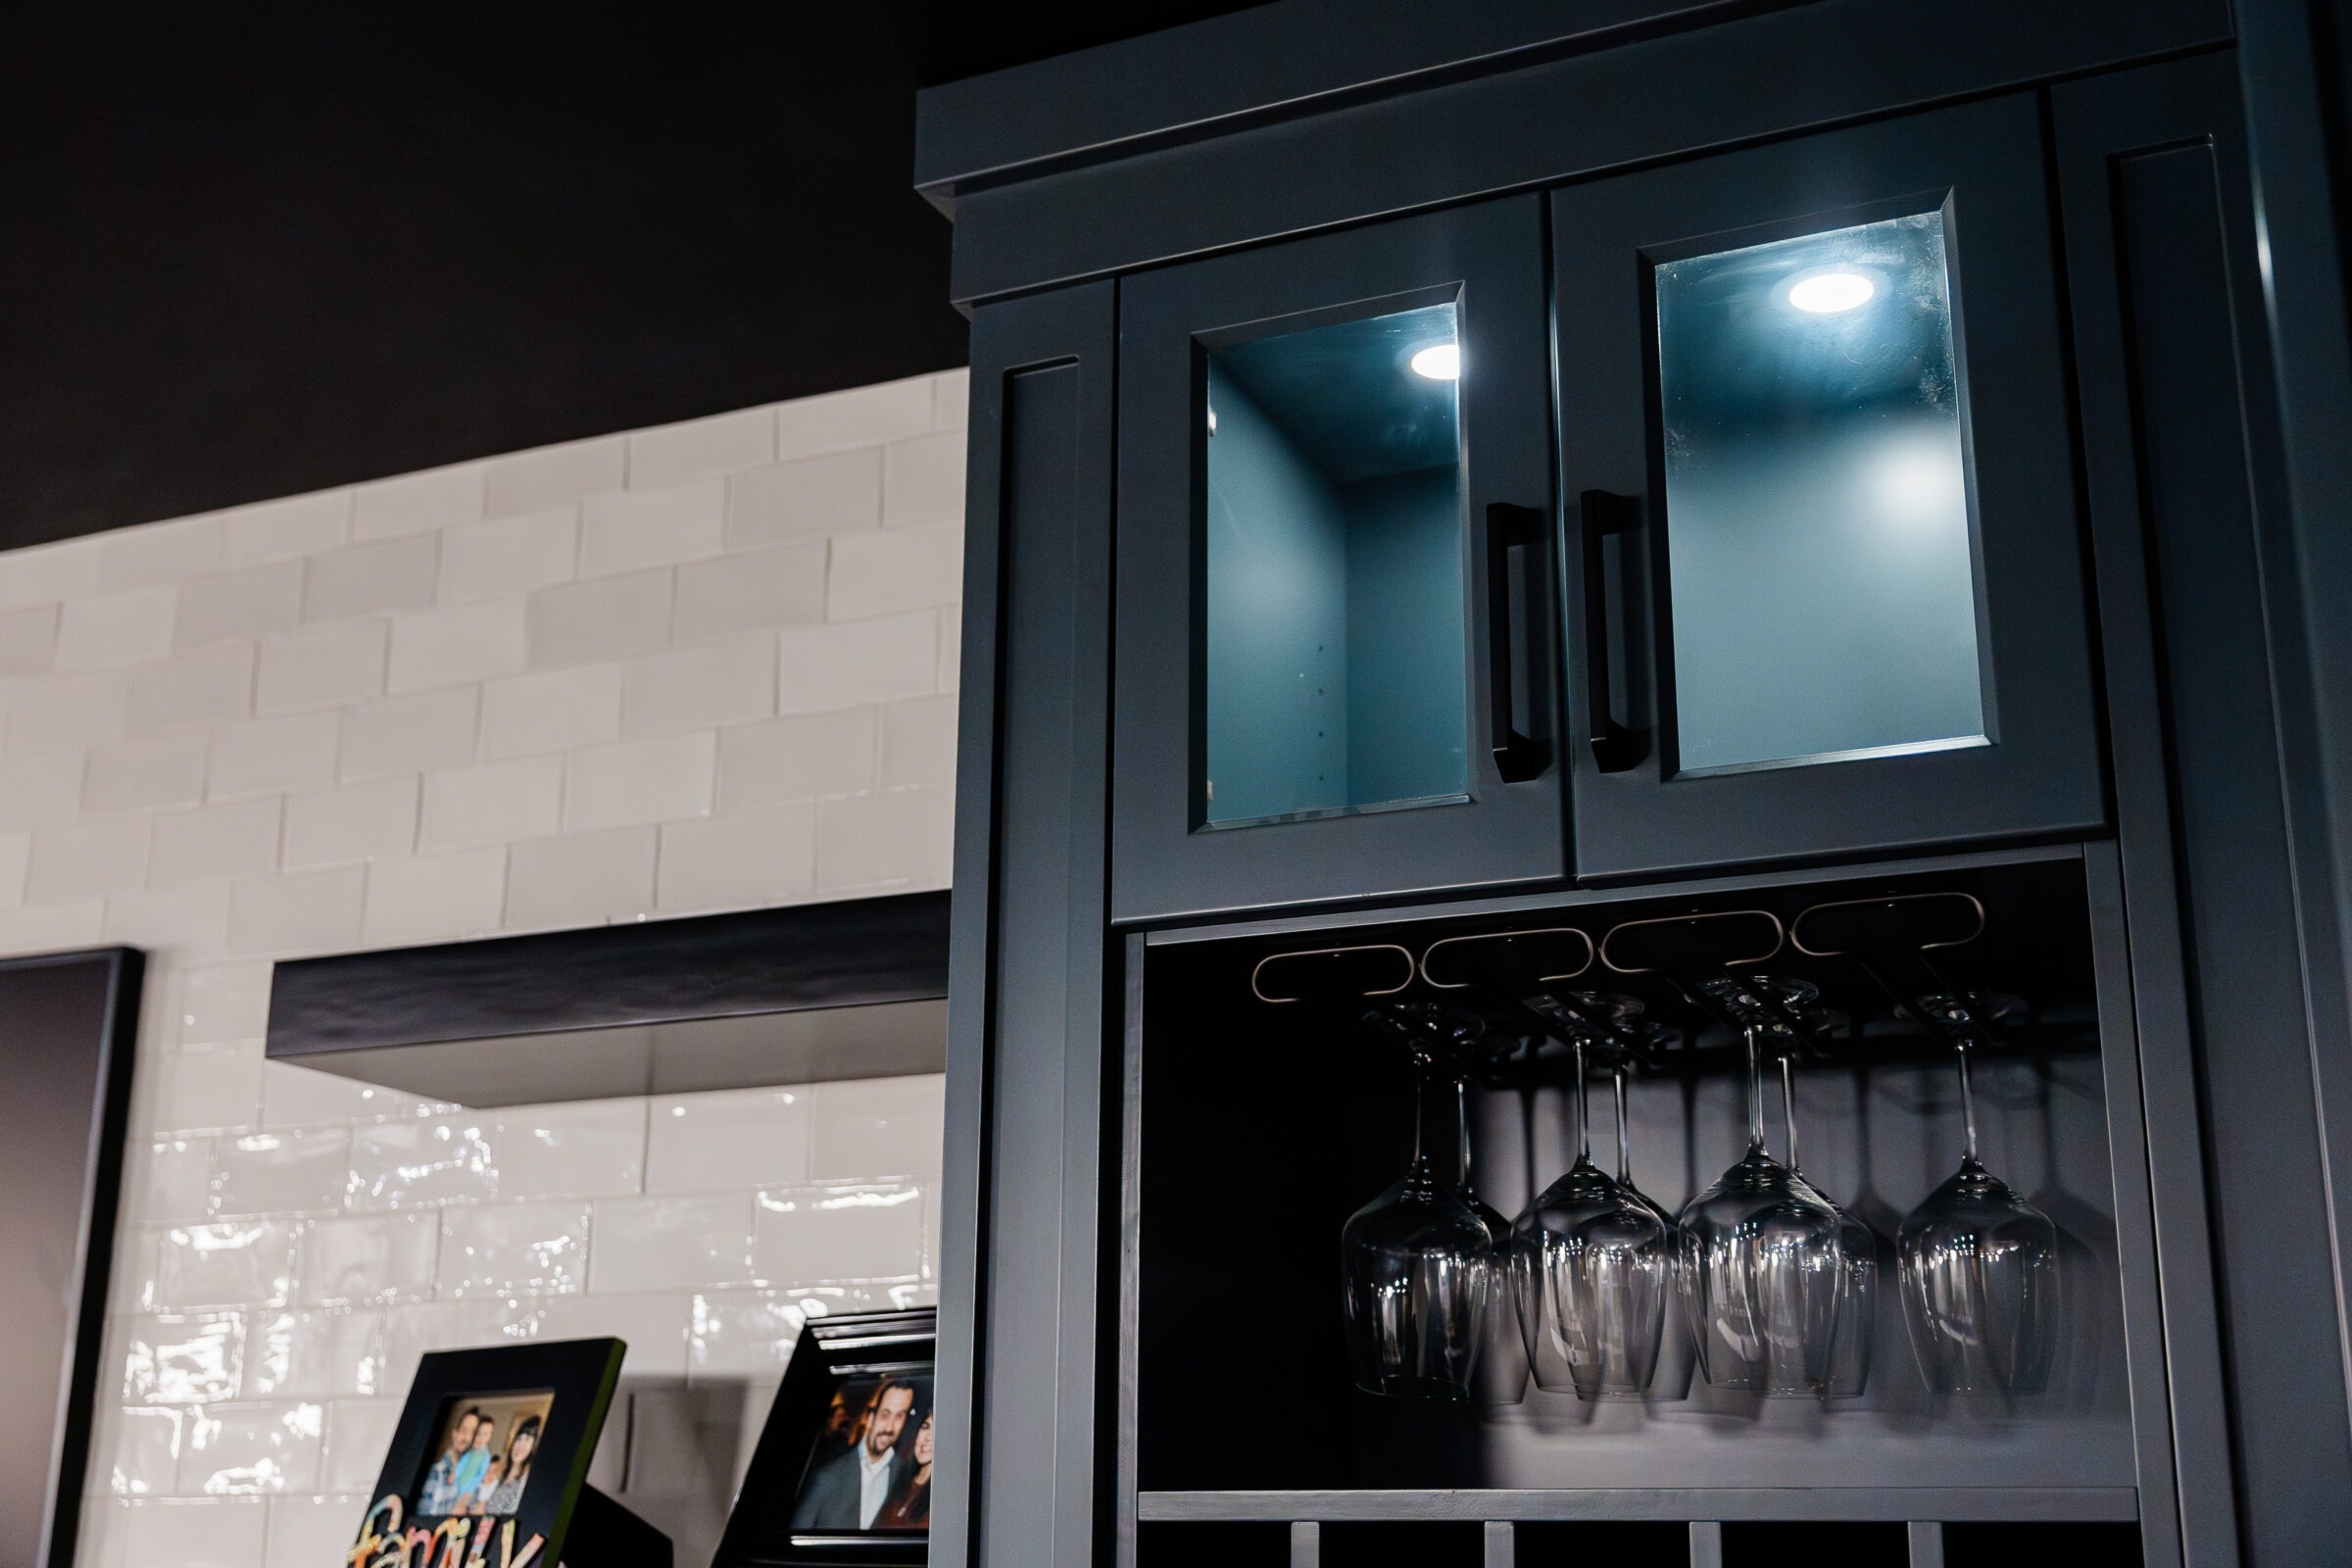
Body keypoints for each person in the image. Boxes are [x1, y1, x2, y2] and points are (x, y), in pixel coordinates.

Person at [788, 1379, 915, 1530]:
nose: (889, 1427)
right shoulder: (825, 1476)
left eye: (899, 1416)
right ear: (870, 1418)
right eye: (885, 1414)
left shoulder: (904, 1475)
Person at [873, 1410, 933, 1530]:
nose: (928, 1437)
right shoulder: (895, 1478)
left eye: (939, 1431)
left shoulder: (941, 1498)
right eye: (925, 1427)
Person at [416, 1409, 481, 1516]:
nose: (466, 1435)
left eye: (472, 1431)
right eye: (463, 1429)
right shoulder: (433, 1469)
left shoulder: (474, 1478)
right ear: (454, 1434)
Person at [484, 1414, 541, 1515]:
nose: (520, 1446)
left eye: (527, 1439)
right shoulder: (499, 1476)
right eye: (519, 1439)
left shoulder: (522, 1484)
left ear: (533, 1446)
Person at [452, 1413, 496, 1507]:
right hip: (454, 1483)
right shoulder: (466, 1447)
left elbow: (479, 1476)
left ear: (489, 1437)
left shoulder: (485, 1456)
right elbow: (458, 1464)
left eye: (485, 1434)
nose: (480, 1437)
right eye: (477, 1433)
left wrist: (468, 1492)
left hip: (466, 1491)